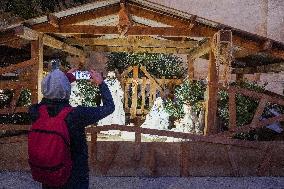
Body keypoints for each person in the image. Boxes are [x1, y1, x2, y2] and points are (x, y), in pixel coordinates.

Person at [28, 63, 115, 189]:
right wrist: (101, 84)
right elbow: (109, 107)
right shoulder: (76, 115)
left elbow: (46, 100)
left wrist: (63, 79)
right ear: (67, 89)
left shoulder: (35, 112)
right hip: (74, 176)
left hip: (49, 172)